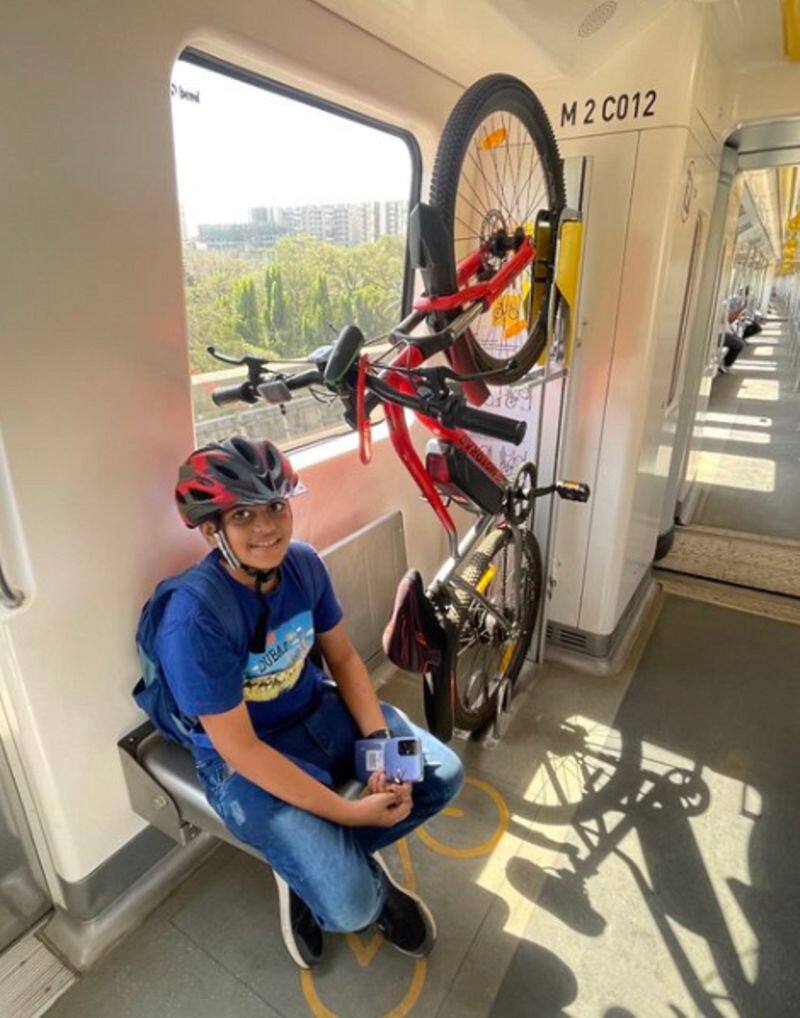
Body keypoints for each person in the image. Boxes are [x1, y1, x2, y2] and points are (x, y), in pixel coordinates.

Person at [139, 436, 464, 969]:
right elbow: (240, 750)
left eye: (275, 507)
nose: (267, 527)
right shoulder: (193, 619)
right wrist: (348, 812)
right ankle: (341, 879)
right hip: (244, 762)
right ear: (210, 530)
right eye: (242, 514)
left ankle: (313, 863)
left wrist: (380, 747)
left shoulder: (304, 565)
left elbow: (345, 662)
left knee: (440, 774)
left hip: (320, 714)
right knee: (350, 909)